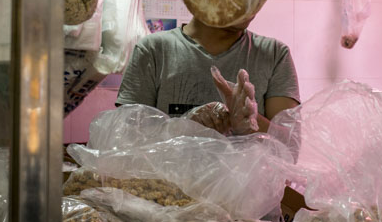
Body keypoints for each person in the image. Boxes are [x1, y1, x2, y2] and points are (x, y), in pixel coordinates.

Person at [116, 15, 300, 135]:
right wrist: (182, 128)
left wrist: (250, 121)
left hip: (247, 193)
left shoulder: (275, 54)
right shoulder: (153, 50)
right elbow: (124, 139)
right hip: (165, 191)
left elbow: (289, 149)